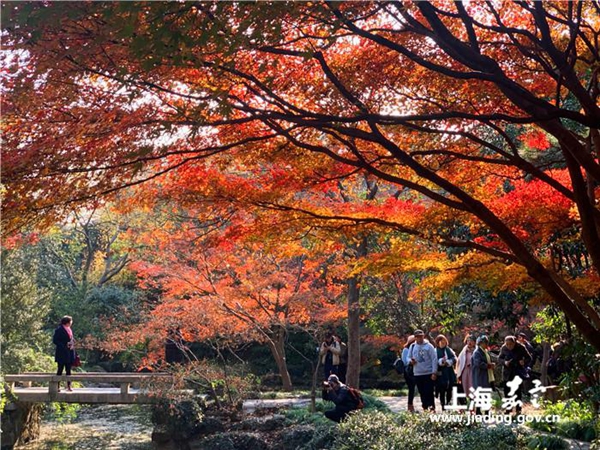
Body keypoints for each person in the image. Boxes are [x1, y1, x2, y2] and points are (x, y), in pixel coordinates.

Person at [498, 335, 532, 415]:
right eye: (507, 344)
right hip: (507, 373)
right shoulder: (504, 348)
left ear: (514, 343)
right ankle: (508, 409)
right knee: (507, 392)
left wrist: (523, 362)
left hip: (517, 372)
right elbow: (499, 359)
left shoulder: (521, 347)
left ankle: (518, 410)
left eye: (510, 344)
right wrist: (505, 362)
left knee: (517, 392)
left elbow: (529, 358)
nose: (509, 346)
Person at [408, 329, 437, 412]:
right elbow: (408, 357)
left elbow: (434, 359)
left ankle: (432, 408)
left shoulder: (429, 346)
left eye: (420, 336)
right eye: (417, 337)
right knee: (422, 392)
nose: (419, 338)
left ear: (423, 336)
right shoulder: (413, 346)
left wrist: (434, 372)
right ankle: (425, 408)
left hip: (428, 372)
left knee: (429, 391)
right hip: (417, 373)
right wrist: (411, 361)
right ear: (415, 338)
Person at [472, 335, 495, 414]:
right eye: (485, 342)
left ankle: (486, 411)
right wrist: (488, 365)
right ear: (480, 343)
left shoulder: (485, 351)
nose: (486, 344)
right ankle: (478, 411)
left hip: (486, 376)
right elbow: (478, 363)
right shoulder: (477, 352)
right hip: (480, 376)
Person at [53, 315, 76, 392]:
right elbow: (55, 340)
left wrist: (72, 343)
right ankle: (57, 386)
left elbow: (71, 339)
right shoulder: (59, 330)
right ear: (67, 322)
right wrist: (64, 345)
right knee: (60, 370)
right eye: (70, 321)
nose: (71, 322)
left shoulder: (69, 329)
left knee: (68, 370)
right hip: (62, 353)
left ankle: (69, 386)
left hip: (69, 352)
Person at [434, 335, 457, 410]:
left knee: (450, 388)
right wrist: (440, 361)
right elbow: (433, 361)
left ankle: (448, 402)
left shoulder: (448, 350)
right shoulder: (435, 351)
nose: (442, 343)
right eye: (440, 342)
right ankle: (443, 404)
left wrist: (448, 362)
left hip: (449, 372)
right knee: (442, 390)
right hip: (440, 373)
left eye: (444, 341)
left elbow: (454, 358)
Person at [457, 335, 476, 404]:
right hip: (465, 371)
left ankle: (473, 405)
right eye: (468, 341)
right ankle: (464, 405)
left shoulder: (476, 351)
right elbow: (459, 361)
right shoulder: (464, 351)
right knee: (465, 388)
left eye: (471, 341)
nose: (469, 342)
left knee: (473, 388)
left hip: (473, 372)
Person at [401, 335, 417, 412]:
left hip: (416, 371)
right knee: (411, 389)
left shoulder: (416, 349)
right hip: (408, 372)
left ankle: (411, 405)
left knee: (414, 389)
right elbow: (404, 361)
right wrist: (411, 362)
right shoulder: (406, 350)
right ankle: (410, 406)